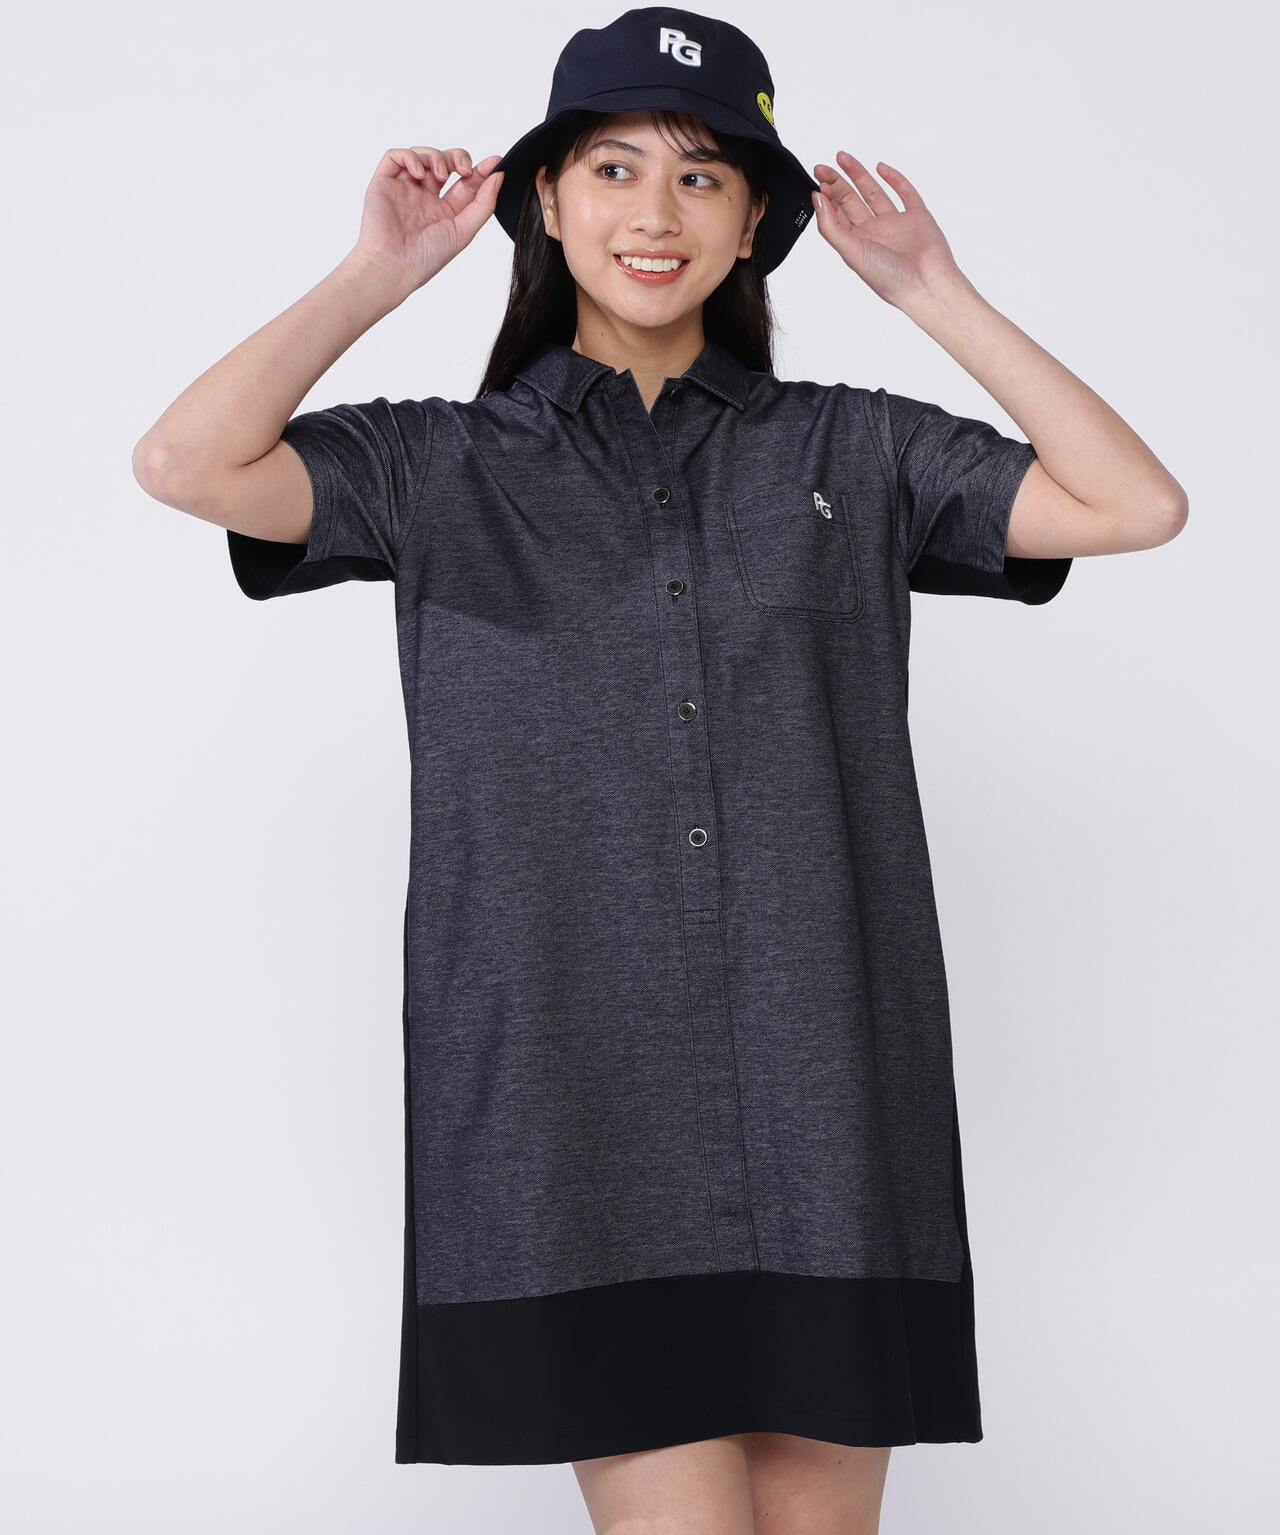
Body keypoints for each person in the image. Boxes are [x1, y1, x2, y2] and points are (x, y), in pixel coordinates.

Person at [132, 8, 1187, 1532]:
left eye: (703, 178)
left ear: (754, 224)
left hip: (826, 1107)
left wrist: (928, 291)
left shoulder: (853, 451)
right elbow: (185, 463)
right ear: (546, 202)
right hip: (579, 1119)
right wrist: (380, 272)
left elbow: (1135, 504)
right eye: (615, 169)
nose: (655, 213)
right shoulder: (440, 467)